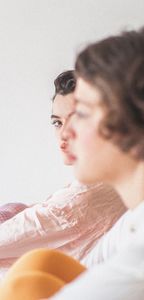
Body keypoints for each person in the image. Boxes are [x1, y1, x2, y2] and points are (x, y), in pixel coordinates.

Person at [1, 20, 144, 300]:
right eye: (58, 121)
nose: (66, 133)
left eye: (81, 113)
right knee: (40, 266)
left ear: (136, 126)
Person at [0, 70, 125, 278]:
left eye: (78, 120)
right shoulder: (109, 182)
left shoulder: (86, 194)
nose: (64, 134)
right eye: (57, 122)